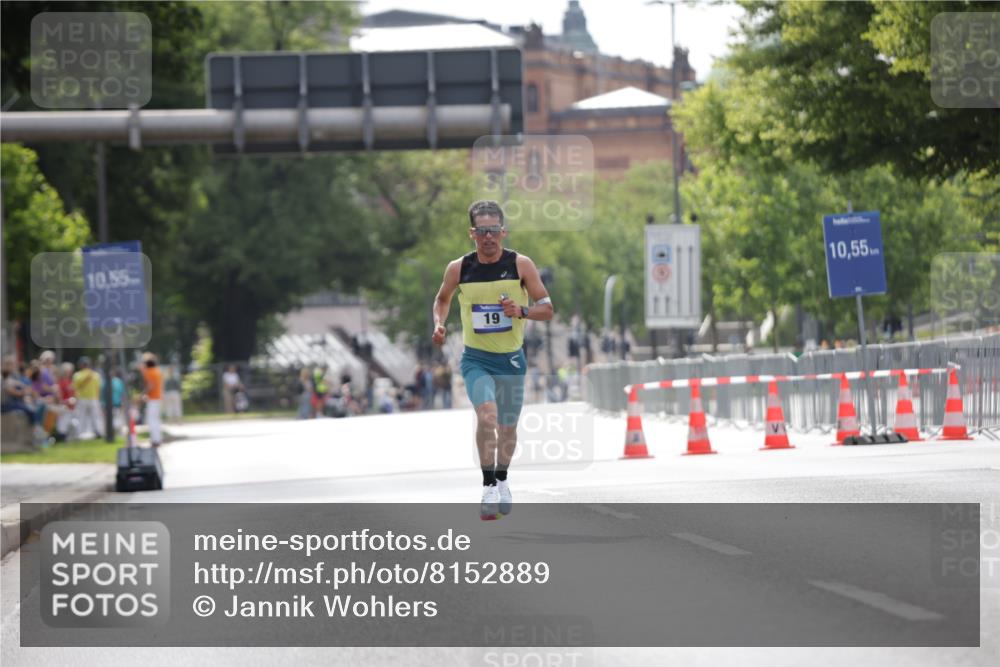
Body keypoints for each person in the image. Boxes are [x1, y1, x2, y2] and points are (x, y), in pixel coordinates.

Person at [432, 200, 553, 520]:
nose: (489, 237)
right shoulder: (458, 268)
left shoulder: (521, 265)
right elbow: (442, 299)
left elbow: (548, 308)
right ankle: (487, 486)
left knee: (508, 429)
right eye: (482, 231)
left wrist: (522, 311)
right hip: (476, 359)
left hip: (511, 360)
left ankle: (502, 479)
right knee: (487, 416)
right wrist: (439, 324)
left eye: (494, 231)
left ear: (504, 232)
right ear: (472, 233)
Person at [72, 356, 104, 439]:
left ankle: (79, 434)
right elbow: (98, 388)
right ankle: (99, 432)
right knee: (96, 417)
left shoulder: (77, 375)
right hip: (94, 398)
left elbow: (75, 388)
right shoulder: (96, 375)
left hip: (82, 398)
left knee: (81, 417)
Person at [140, 354, 164, 447]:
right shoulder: (157, 371)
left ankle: (155, 440)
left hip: (153, 398)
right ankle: (158, 439)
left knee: (151, 420)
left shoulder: (149, 372)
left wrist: (142, 395)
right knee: (156, 420)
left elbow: (150, 386)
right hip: (158, 398)